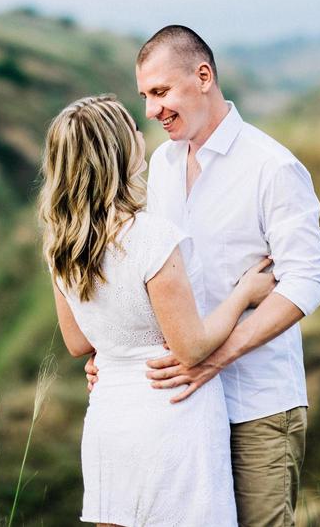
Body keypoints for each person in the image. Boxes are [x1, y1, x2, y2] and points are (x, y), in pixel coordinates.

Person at [87, 26, 320, 527]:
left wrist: (217, 357)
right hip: (185, 411)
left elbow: (306, 282)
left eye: (160, 92)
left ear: (203, 76)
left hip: (257, 403)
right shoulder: (162, 164)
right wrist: (113, 358)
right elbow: (147, 274)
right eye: (145, 97)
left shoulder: (273, 167)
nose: (151, 110)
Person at [38, 94, 277, 527]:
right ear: (118, 149)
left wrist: (114, 347)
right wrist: (244, 293)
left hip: (109, 421)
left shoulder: (61, 246)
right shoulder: (151, 237)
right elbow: (192, 348)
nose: (141, 131)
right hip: (171, 418)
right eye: (132, 127)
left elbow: (77, 343)